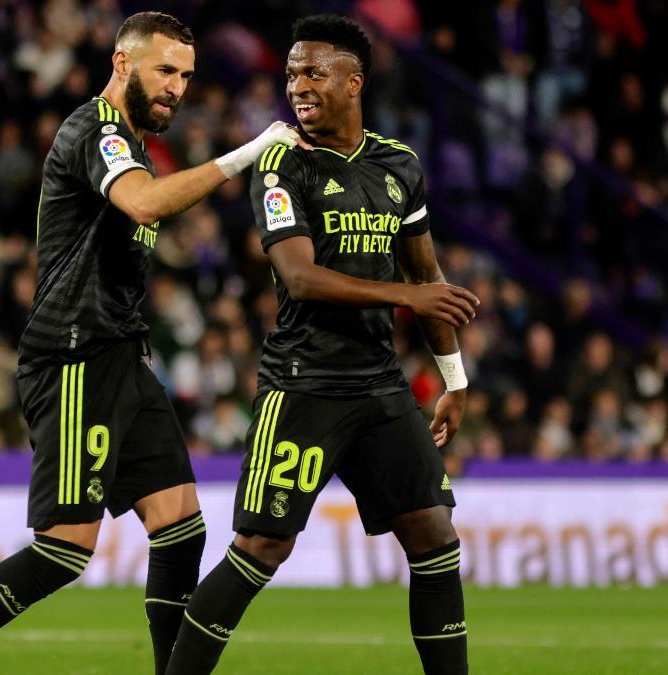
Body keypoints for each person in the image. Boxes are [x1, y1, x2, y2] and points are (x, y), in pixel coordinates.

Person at [0, 11, 306, 675]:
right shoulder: (94, 130)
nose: (177, 88)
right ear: (123, 62)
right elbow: (146, 205)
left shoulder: (132, 144)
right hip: (72, 356)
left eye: (186, 75)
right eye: (165, 70)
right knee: (65, 549)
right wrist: (245, 153)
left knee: (182, 528)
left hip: (124, 356)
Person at [165, 15, 478, 675]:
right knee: (261, 546)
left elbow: (427, 277)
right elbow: (301, 278)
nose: (297, 86)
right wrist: (407, 298)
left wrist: (454, 378)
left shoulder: (399, 165)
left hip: (380, 386)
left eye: (313, 72)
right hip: (304, 384)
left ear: (353, 81)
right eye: (291, 74)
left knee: (434, 534)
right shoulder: (282, 162)